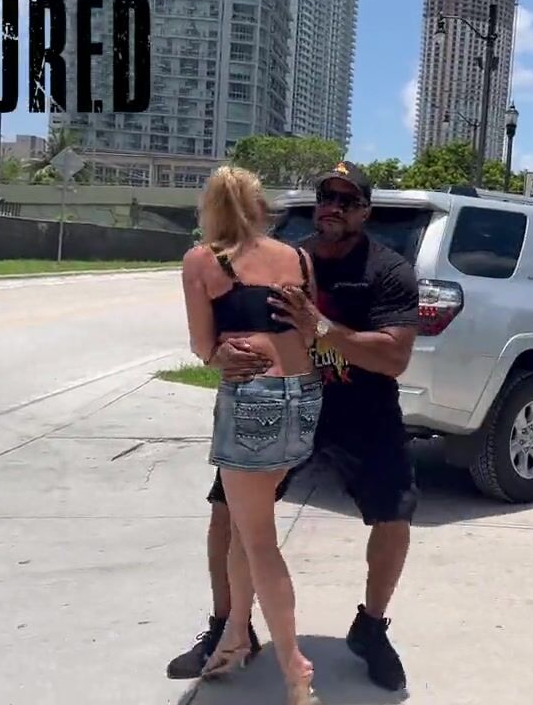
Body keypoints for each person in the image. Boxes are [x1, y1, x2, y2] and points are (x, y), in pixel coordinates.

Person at [167, 162, 419, 692]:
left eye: (347, 201)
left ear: (366, 212)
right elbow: (227, 322)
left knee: (394, 513)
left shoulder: (387, 269)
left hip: (360, 408)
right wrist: (220, 356)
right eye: (326, 196)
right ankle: (228, 628)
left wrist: (321, 327)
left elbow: (395, 356)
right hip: (294, 400)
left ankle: (372, 629)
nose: (333, 207)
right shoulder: (292, 254)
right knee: (226, 513)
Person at [180, 165, 323, 705]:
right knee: (245, 527)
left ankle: (294, 668)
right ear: (260, 206)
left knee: (258, 539)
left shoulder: (203, 260)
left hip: (253, 401)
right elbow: (310, 329)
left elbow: (203, 345)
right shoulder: (299, 259)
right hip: (304, 398)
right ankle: (236, 637)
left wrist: (219, 352)